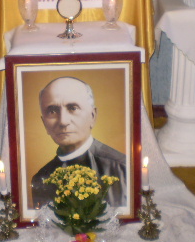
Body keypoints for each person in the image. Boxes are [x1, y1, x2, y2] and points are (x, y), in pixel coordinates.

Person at [30, 77, 127, 209]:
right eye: (52, 111)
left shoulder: (123, 168)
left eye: (73, 108)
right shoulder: (41, 179)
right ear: (44, 124)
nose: (63, 121)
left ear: (92, 116)